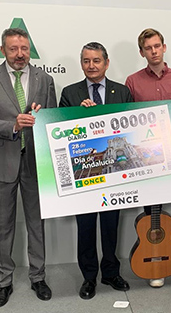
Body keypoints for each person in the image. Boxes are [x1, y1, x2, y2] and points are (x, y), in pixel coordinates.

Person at [0, 28, 56, 308]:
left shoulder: (45, 79)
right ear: (3, 49)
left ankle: (38, 277)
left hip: (35, 162)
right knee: (4, 226)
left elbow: (53, 121)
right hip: (2, 163)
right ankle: (4, 281)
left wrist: (42, 117)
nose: (20, 54)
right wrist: (13, 125)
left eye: (24, 48)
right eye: (13, 49)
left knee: (37, 224)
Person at [59, 42, 132, 300]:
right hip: (86, 173)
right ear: (82, 64)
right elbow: (63, 132)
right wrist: (79, 115)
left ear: (106, 63)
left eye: (96, 60)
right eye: (86, 61)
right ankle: (89, 277)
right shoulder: (70, 92)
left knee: (111, 226)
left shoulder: (122, 92)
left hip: (115, 174)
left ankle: (111, 272)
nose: (91, 65)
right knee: (86, 227)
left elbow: (129, 129)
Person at [125, 28, 171, 288]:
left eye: (157, 46)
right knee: (151, 212)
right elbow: (126, 121)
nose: (153, 51)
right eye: (148, 48)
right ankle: (156, 263)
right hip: (147, 159)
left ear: (164, 47)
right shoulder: (132, 82)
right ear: (142, 52)